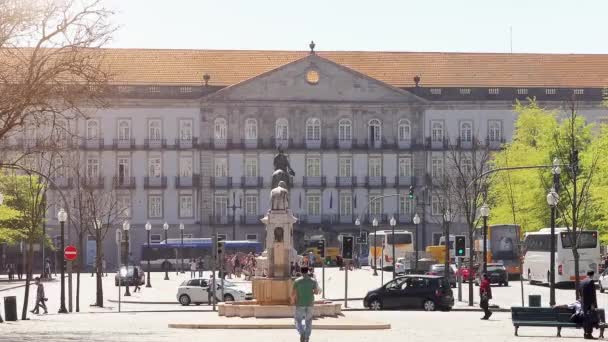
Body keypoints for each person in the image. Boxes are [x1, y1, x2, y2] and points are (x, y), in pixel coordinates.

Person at [291, 266, 319, 342]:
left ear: (300, 271)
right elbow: (316, 292)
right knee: (308, 321)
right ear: (308, 271)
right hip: (310, 303)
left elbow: (293, 293)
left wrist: (293, 301)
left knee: (297, 320)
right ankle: (306, 337)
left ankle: (302, 333)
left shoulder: (297, 281)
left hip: (300, 303)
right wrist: (312, 291)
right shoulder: (312, 281)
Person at [580, 270, 599, 339]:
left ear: (587, 274)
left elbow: (580, 293)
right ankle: (589, 334)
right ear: (592, 275)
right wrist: (593, 304)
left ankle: (585, 333)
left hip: (583, 304)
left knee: (585, 319)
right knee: (590, 319)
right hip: (589, 304)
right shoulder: (591, 281)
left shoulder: (582, 281)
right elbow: (593, 294)